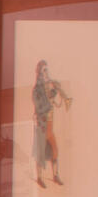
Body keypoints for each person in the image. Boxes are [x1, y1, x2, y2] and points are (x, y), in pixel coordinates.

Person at [32, 60, 73, 189]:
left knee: (55, 151)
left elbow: (52, 101)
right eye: (44, 70)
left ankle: (55, 175)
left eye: (47, 70)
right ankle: (39, 177)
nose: (46, 72)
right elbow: (39, 106)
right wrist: (49, 100)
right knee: (40, 153)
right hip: (42, 126)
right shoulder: (37, 89)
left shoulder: (48, 86)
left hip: (50, 126)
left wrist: (55, 92)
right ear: (39, 73)